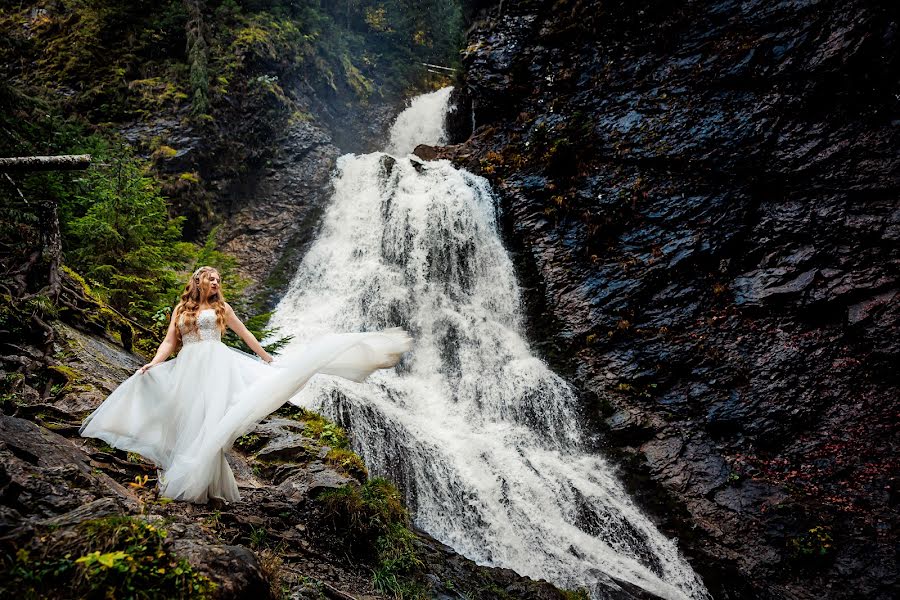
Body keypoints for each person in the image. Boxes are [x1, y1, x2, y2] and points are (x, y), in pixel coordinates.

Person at [80, 266, 412, 503]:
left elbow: (245, 335)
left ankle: (201, 484)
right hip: (186, 366)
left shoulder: (222, 307)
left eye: (218, 280)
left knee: (210, 419)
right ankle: (195, 479)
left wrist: (267, 359)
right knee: (186, 418)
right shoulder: (181, 308)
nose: (215, 282)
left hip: (216, 366)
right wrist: (154, 362)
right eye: (211, 278)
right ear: (198, 280)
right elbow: (170, 342)